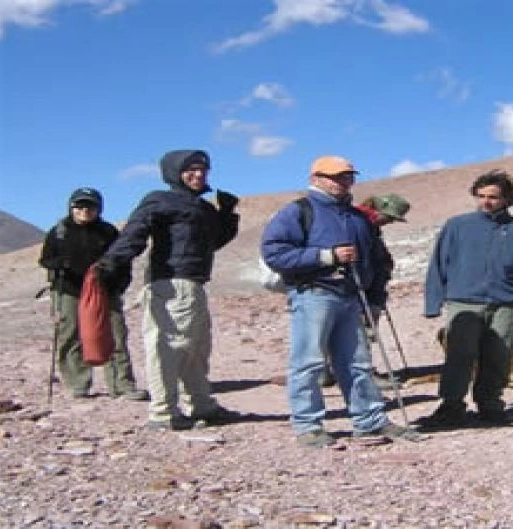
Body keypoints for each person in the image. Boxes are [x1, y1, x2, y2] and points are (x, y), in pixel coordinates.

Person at [260, 155, 421, 447]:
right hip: (314, 293)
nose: (342, 182)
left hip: (351, 296)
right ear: (316, 179)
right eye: (335, 177)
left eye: (347, 176)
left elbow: (375, 260)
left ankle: (369, 420)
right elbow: (274, 253)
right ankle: (308, 425)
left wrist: (374, 298)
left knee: (357, 362)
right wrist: (326, 256)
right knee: (308, 362)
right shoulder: (298, 211)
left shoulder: (358, 217)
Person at [96, 149, 242, 431]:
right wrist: (111, 262)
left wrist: (226, 215)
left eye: (203, 169)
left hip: (194, 284)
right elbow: (135, 233)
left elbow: (212, 243)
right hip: (171, 284)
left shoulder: (201, 207)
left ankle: (202, 405)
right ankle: (164, 412)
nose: (199, 174)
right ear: (174, 171)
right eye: (191, 169)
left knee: (197, 348)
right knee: (168, 347)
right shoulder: (160, 200)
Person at [422, 169, 513, 428]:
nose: (486, 202)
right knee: (459, 356)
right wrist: (433, 302)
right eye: (480, 196)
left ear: (507, 199)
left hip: (505, 304)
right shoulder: (457, 225)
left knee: (499, 356)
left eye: (493, 197)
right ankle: (451, 406)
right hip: (464, 302)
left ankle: (490, 405)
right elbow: (438, 264)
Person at [38, 187, 149, 401]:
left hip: (105, 289)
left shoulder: (108, 232)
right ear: (71, 207)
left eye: (90, 206)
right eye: (79, 206)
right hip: (69, 289)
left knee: (115, 334)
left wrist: (119, 283)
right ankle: (77, 384)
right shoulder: (59, 231)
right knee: (69, 335)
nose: (84, 210)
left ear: (99, 208)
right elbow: (45, 259)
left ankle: (122, 384)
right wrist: (59, 264)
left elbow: (122, 259)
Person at [316, 193, 411, 386]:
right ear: (378, 210)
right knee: (359, 334)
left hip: (363, 286)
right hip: (354, 288)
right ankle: (362, 376)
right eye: (390, 217)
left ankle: (328, 372)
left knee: (343, 332)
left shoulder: (367, 226)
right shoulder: (356, 224)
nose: (390, 222)